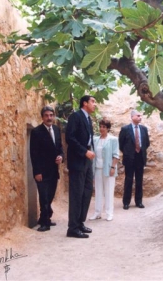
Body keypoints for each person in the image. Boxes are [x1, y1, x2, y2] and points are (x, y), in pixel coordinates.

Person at [65, 95, 97, 239]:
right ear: (84, 103)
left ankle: (80, 223)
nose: (94, 104)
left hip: (87, 161)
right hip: (78, 160)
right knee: (76, 194)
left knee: (87, 191)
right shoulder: (75, 117)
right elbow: (70, 138)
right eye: (93, 101)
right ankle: (72, 228)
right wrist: (84, 152)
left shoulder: (88, 119)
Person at [30, 106, 64, 232]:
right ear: (42, 117)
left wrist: (61, 156)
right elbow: (34, 153)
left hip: (54, 171)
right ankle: (45, 222)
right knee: (44, 197)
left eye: (51, 115)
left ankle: (44, 217)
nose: (49, 118)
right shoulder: (36, 132)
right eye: (46, 115)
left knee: (50, 196)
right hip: (42, 172)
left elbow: (60, 148)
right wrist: (37, 172)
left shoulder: (56, 129)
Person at [89, 118, 119, 222]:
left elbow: (116, 155)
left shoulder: (113, 139)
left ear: (108, 128)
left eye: (104, 127)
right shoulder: (95, 139)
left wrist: (113, 167)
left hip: (108, 169)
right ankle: (97, 212)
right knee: (98, 191)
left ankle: (109, 213)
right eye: (100, 126)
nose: (101, 129)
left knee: (109, 191)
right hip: (97, 168)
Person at [118, 110, 150, 210]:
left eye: (140, 116)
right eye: (138, 115)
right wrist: (128, 152)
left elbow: (147, 143)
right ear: (132, 117)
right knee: (128, 179)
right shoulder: (125, 129)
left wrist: (140, 150)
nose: (140, 117)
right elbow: (121, 144)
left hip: (140, 157)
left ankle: (139, 201)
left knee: (139, 180)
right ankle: (126, 202)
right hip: (129, 158)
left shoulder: (144, 129)